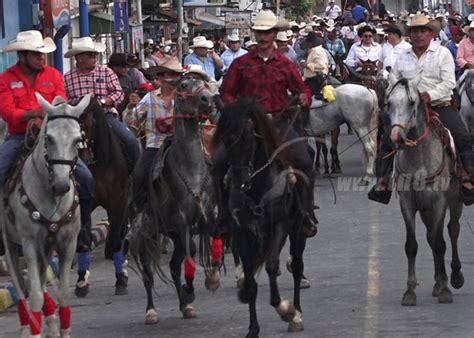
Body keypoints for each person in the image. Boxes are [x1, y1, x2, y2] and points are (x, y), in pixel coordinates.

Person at [219, 10, 317, 237]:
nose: (263, 37)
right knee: (219, 164)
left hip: (278, 124)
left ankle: (305, 213)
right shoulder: (240, 64)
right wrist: (240, 111)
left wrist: (304, 97)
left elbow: (301, 89)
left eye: (267, 32)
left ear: (274, 34)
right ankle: (223, 216)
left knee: (305, 161)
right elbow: (227, 93)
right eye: (259, 32)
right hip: (247, 126)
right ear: (255, 34)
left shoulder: (285, 63)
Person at [0, 31, 95, 261]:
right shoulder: (5, 79)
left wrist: (46, 121)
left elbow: (60, 102)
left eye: (42, 54)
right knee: (1, 169)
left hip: (51, 136)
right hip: (19, 135)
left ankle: (83, 227)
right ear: (22, 56)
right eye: (36, 54)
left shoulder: (54, 75)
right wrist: (30, 115)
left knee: (86, 177)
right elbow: (6, 110)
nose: (41, 58)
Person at [368, 14, 474, 205]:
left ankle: (467, 178)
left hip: (438, 105)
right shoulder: (403, 56)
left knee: (462, 137)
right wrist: (400, 97)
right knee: (387, 138)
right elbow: (394, 80)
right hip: (408, 108)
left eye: (422, 31)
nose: (418, 35)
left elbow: (449, 82)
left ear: (431, 33)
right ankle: (383, 183)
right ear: (410, 35)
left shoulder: (442, 54)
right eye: (414, 31)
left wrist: (429, 95)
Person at [64, 37, 140, 173]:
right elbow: (66, 100)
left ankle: (136, 175)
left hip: (106, 116)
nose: (94, 58)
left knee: (130, 140)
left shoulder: (106, 72)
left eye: (95, 55)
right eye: (90, 55)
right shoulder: (68, 77)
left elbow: (118, 93)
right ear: (79, 58)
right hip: (79, 121)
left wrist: (102, 102)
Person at [124, 57, 184, 217]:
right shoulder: (150, 98)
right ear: (162, 77)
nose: (175, 78)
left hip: (181, 146)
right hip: (156, 145)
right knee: (138, 175)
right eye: (170, 74)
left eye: (177, 75)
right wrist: (131, 107)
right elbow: (132, 121)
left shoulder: (184, 98)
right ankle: (141, 214)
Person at [300, 31, 330, 98]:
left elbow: (322, 66)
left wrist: (307, 65)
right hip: (311, 78)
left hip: (315, 80)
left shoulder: (318, 51)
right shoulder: (314, 50)